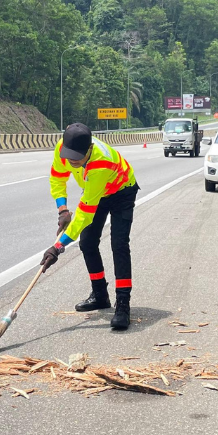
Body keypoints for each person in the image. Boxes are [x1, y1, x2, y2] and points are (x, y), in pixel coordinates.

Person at [40, 123, 139, 330]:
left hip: (122, 191)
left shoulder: (101, 163)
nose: (72, 160)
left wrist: (58, 246)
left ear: (89, 150)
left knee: (119, 244)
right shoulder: (62, 149)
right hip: (97, 193)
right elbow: (58, 178)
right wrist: (63, 210)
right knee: (87, 243)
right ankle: (100, 295)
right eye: (69, 155)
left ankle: (123, 305)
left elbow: (85, 212)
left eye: (77, 157)